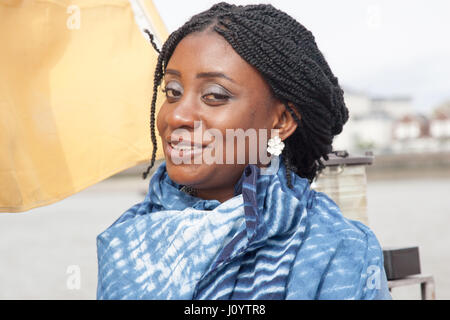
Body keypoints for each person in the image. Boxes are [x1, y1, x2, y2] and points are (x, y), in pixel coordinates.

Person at [96, 2, 392, 300]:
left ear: (282, 121)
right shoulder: (126, 238)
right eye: (173, 92)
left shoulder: (337, 250)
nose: (176, 116)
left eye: (214, 96)